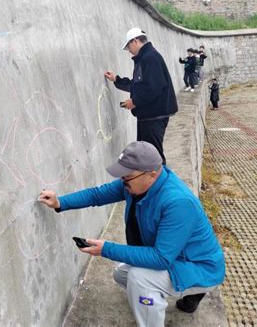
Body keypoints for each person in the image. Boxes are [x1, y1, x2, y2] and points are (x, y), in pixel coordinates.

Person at [38, 141, 225, 327]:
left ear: (152, 175)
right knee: (121, 274)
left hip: (200, 267)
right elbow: (97, 195)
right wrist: (60, 202)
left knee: (139, 278)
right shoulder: (134, 184)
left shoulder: (178, 203)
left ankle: (177, 301)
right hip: (176, 258)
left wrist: (106, 249)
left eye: (126, 176)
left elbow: (160, 258)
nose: (122, 181)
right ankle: (176, 296)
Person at [104, 28, 178, 165]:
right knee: (147, 155)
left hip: (154, 118)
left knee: (154, 156)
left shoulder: (150, 58)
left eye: (128, 47)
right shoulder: (146, 57)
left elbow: (154, 87)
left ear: (135, 41)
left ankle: (163, 184)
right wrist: (117, 80)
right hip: (148, 117)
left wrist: (134, 101)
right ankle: (152, 183)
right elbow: (139, 85)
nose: (129, 51)